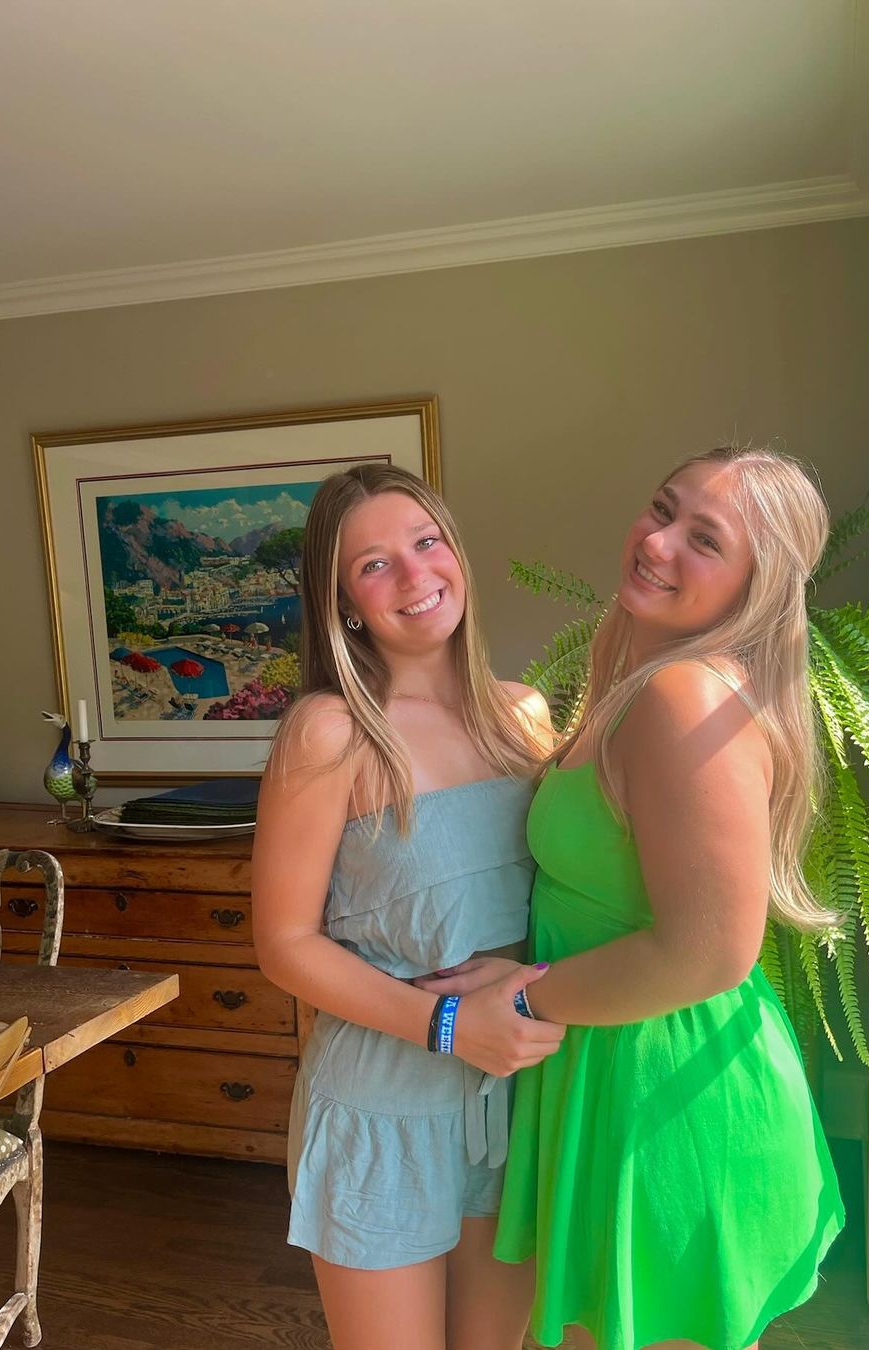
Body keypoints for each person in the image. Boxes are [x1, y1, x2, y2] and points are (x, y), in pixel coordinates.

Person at [417, 446, 846, 1350]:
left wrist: (517, 999)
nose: (657, 542)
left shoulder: (684, 696)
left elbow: (708, 953)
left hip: (663, 1099)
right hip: (614, 1067)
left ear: (757, 586)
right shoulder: (637, 679)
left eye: (705, 539)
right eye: (662, 508)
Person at [251, 463, 563, 1350]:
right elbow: (283, 943)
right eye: (374, 564)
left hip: (520, 1096)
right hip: (381, 1108)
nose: (414, 574)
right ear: (344, 603)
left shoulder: (526, 717)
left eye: (426, 543)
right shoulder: (331, 731)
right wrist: (450, 1025)